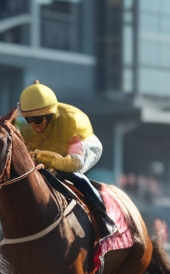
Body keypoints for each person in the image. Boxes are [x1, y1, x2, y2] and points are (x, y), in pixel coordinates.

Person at [16, 81, 114, 238]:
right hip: (51, 149)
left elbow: (75, 163)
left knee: (69, 175)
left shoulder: (73, 120)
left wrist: (55, 161)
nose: (33, 124)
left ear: (50, 115)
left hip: (80, 148)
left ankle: (104, 219)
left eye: (38, 119)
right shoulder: (21, 126)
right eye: (29, 120)